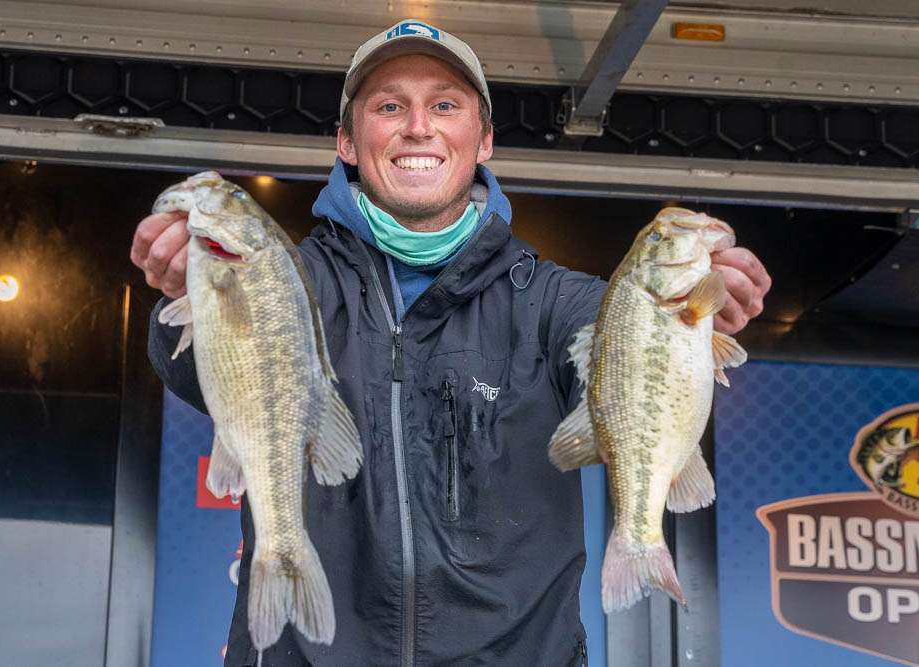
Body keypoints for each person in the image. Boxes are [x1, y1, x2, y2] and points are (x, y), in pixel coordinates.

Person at [131, 19, 771, 666]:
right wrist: (187, 297)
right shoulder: (285, 282)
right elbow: (194, 371)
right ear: (347, 141)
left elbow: (625, 359)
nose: (418, 127)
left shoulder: (553, 301)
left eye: (444, 105)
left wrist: (689, 322)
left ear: (484, 140)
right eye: (389, 107)